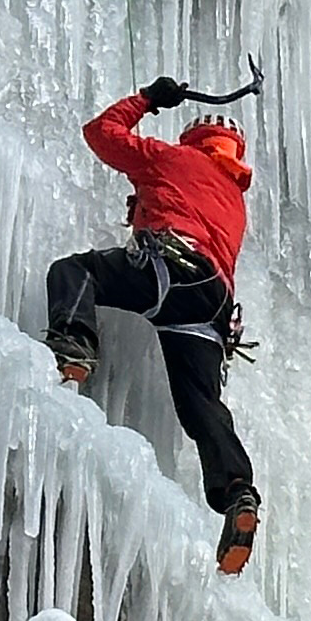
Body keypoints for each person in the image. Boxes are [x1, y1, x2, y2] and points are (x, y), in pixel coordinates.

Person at [46, 79, 262, 574]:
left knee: (74, 272)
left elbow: (103, 133)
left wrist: (149, 98)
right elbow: (182, 207)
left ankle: (76, 350)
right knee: (201, 406)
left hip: (169, 268)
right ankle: (237, 493)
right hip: (209, 304)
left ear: (194, 140)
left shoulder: (174, 159)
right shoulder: (233, 197)